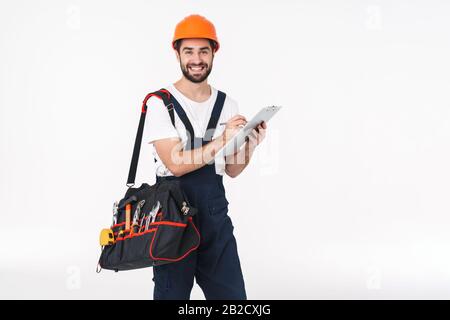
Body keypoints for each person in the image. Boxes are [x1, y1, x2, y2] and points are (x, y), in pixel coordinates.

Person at [144, 14, 267, 300]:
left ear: (214, 53)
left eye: (203, 51)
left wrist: (250, 144)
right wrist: (222, 139)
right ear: (177, 53)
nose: (196, 59)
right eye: (189, 51)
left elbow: (233, 170)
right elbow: (174, 164)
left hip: (215, 217)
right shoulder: (159, 103)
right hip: (172, 218)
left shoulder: (227, 104)